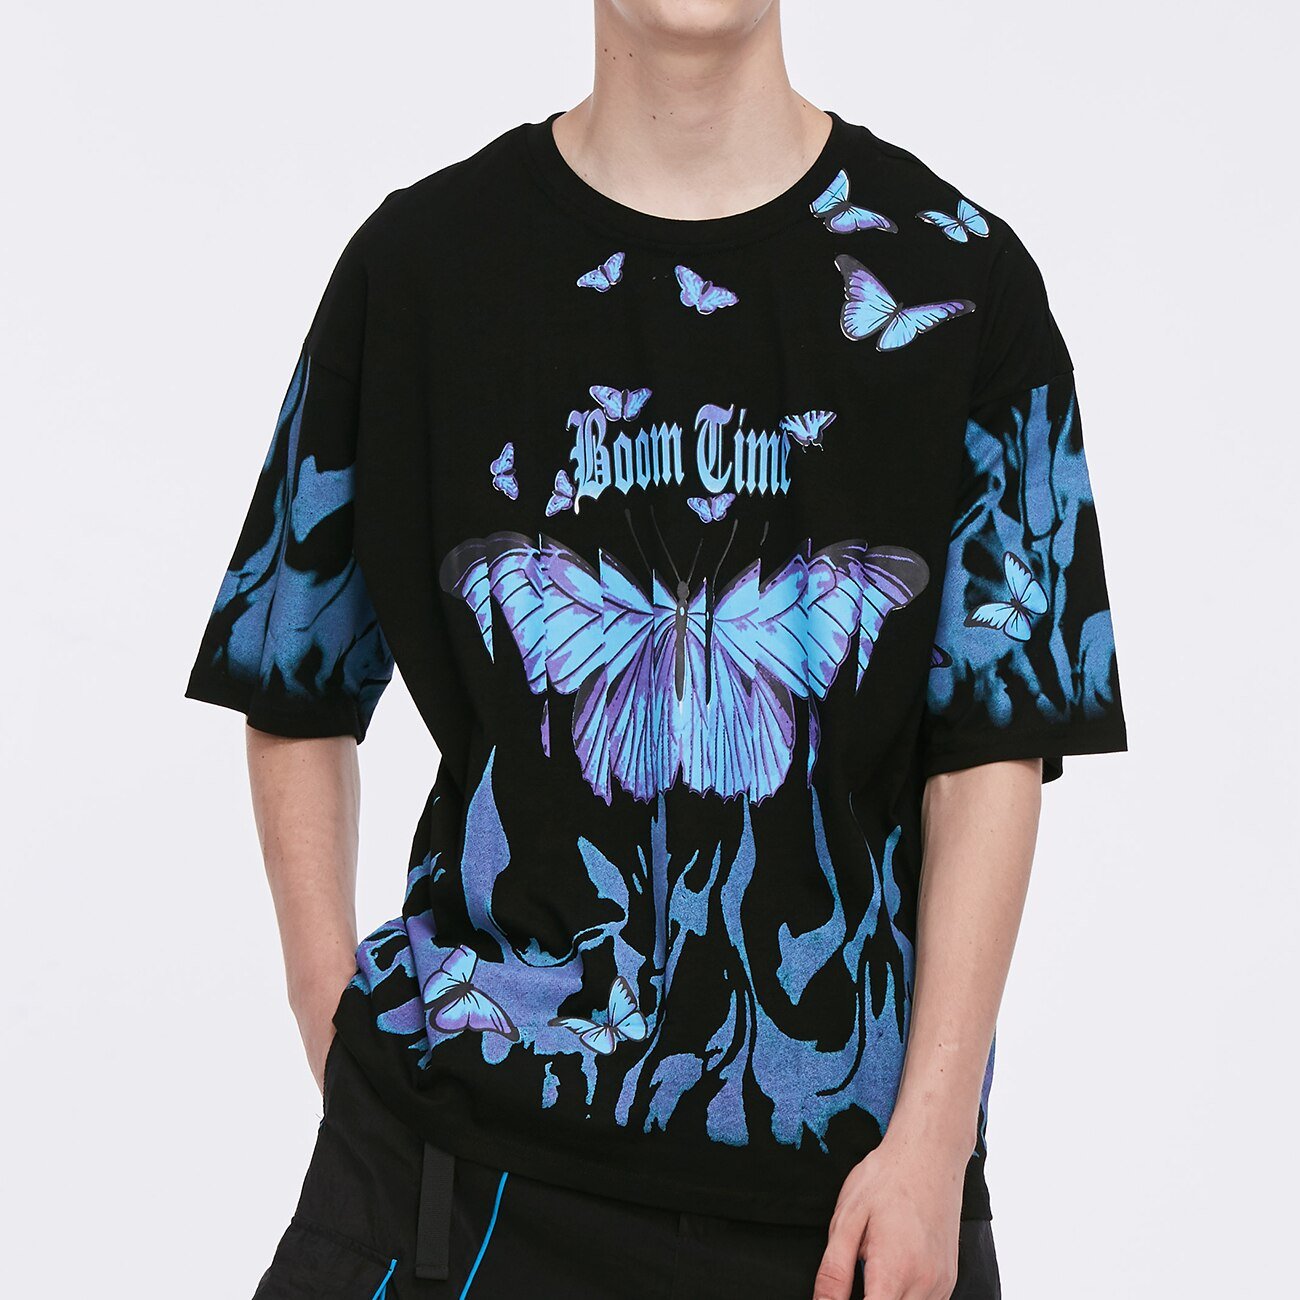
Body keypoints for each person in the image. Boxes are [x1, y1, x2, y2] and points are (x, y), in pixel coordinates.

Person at [184, 3, 1127, 1297]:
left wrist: (931, 1143)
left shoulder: (958, 280)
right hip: (457, 1170)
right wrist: (329, 1012)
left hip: (846, 1206)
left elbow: (994, 748)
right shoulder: (421, 267)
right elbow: (293, 668)